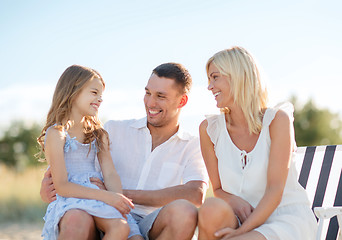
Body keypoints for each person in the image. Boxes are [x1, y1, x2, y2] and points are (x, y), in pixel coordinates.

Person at [40, 62, 209, 240]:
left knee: (184, 211)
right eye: (147, 93)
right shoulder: (113, 130)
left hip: (149, 222)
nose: (151, 102)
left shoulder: (192, 144)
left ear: (182, 101)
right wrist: (49, 190)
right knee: (76, 219)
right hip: (98, 215)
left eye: (160, 96)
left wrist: (119, 196)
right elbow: (72, 174)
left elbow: (195, 194)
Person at [197, 47, 317, 240]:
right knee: (210, 208)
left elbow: (275, 190)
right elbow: (217, 189)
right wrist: (234, 201)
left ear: (238, 76)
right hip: (240, 218)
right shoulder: (209, 130)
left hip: (283, 217)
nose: (209, 86)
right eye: (209, 79)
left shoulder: (277, 120)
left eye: (215, 77)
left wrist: (240, 233)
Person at [37, 65, 142, 240]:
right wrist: (106, 196)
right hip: (72, 197)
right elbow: (62, 186)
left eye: (101, 95)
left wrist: (117, 199)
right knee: (76, 222)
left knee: (122, 228)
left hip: (101, 197)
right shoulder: (57, 133)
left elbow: (109, 173)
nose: (100, 99)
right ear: (73, 90)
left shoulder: (98, 134)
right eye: (94, 93)